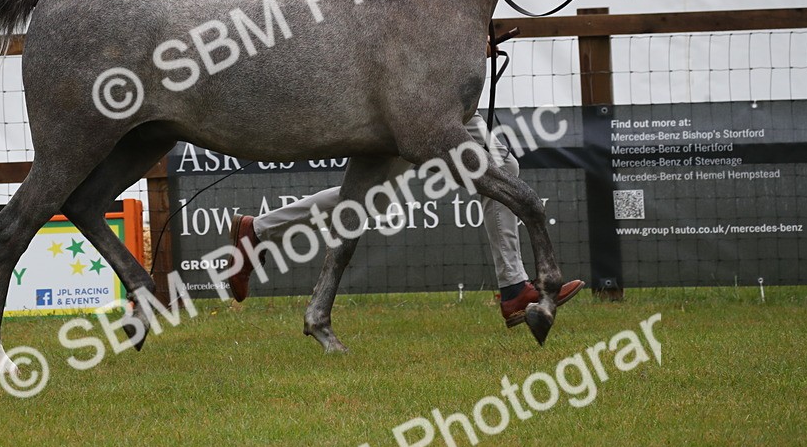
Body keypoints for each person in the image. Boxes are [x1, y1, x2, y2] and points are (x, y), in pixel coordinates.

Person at [227, 111, 583, 330]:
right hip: (421, 102)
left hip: (452, 100)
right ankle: (257, 230)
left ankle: (514, 288)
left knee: (503, 169)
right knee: (370, 198)